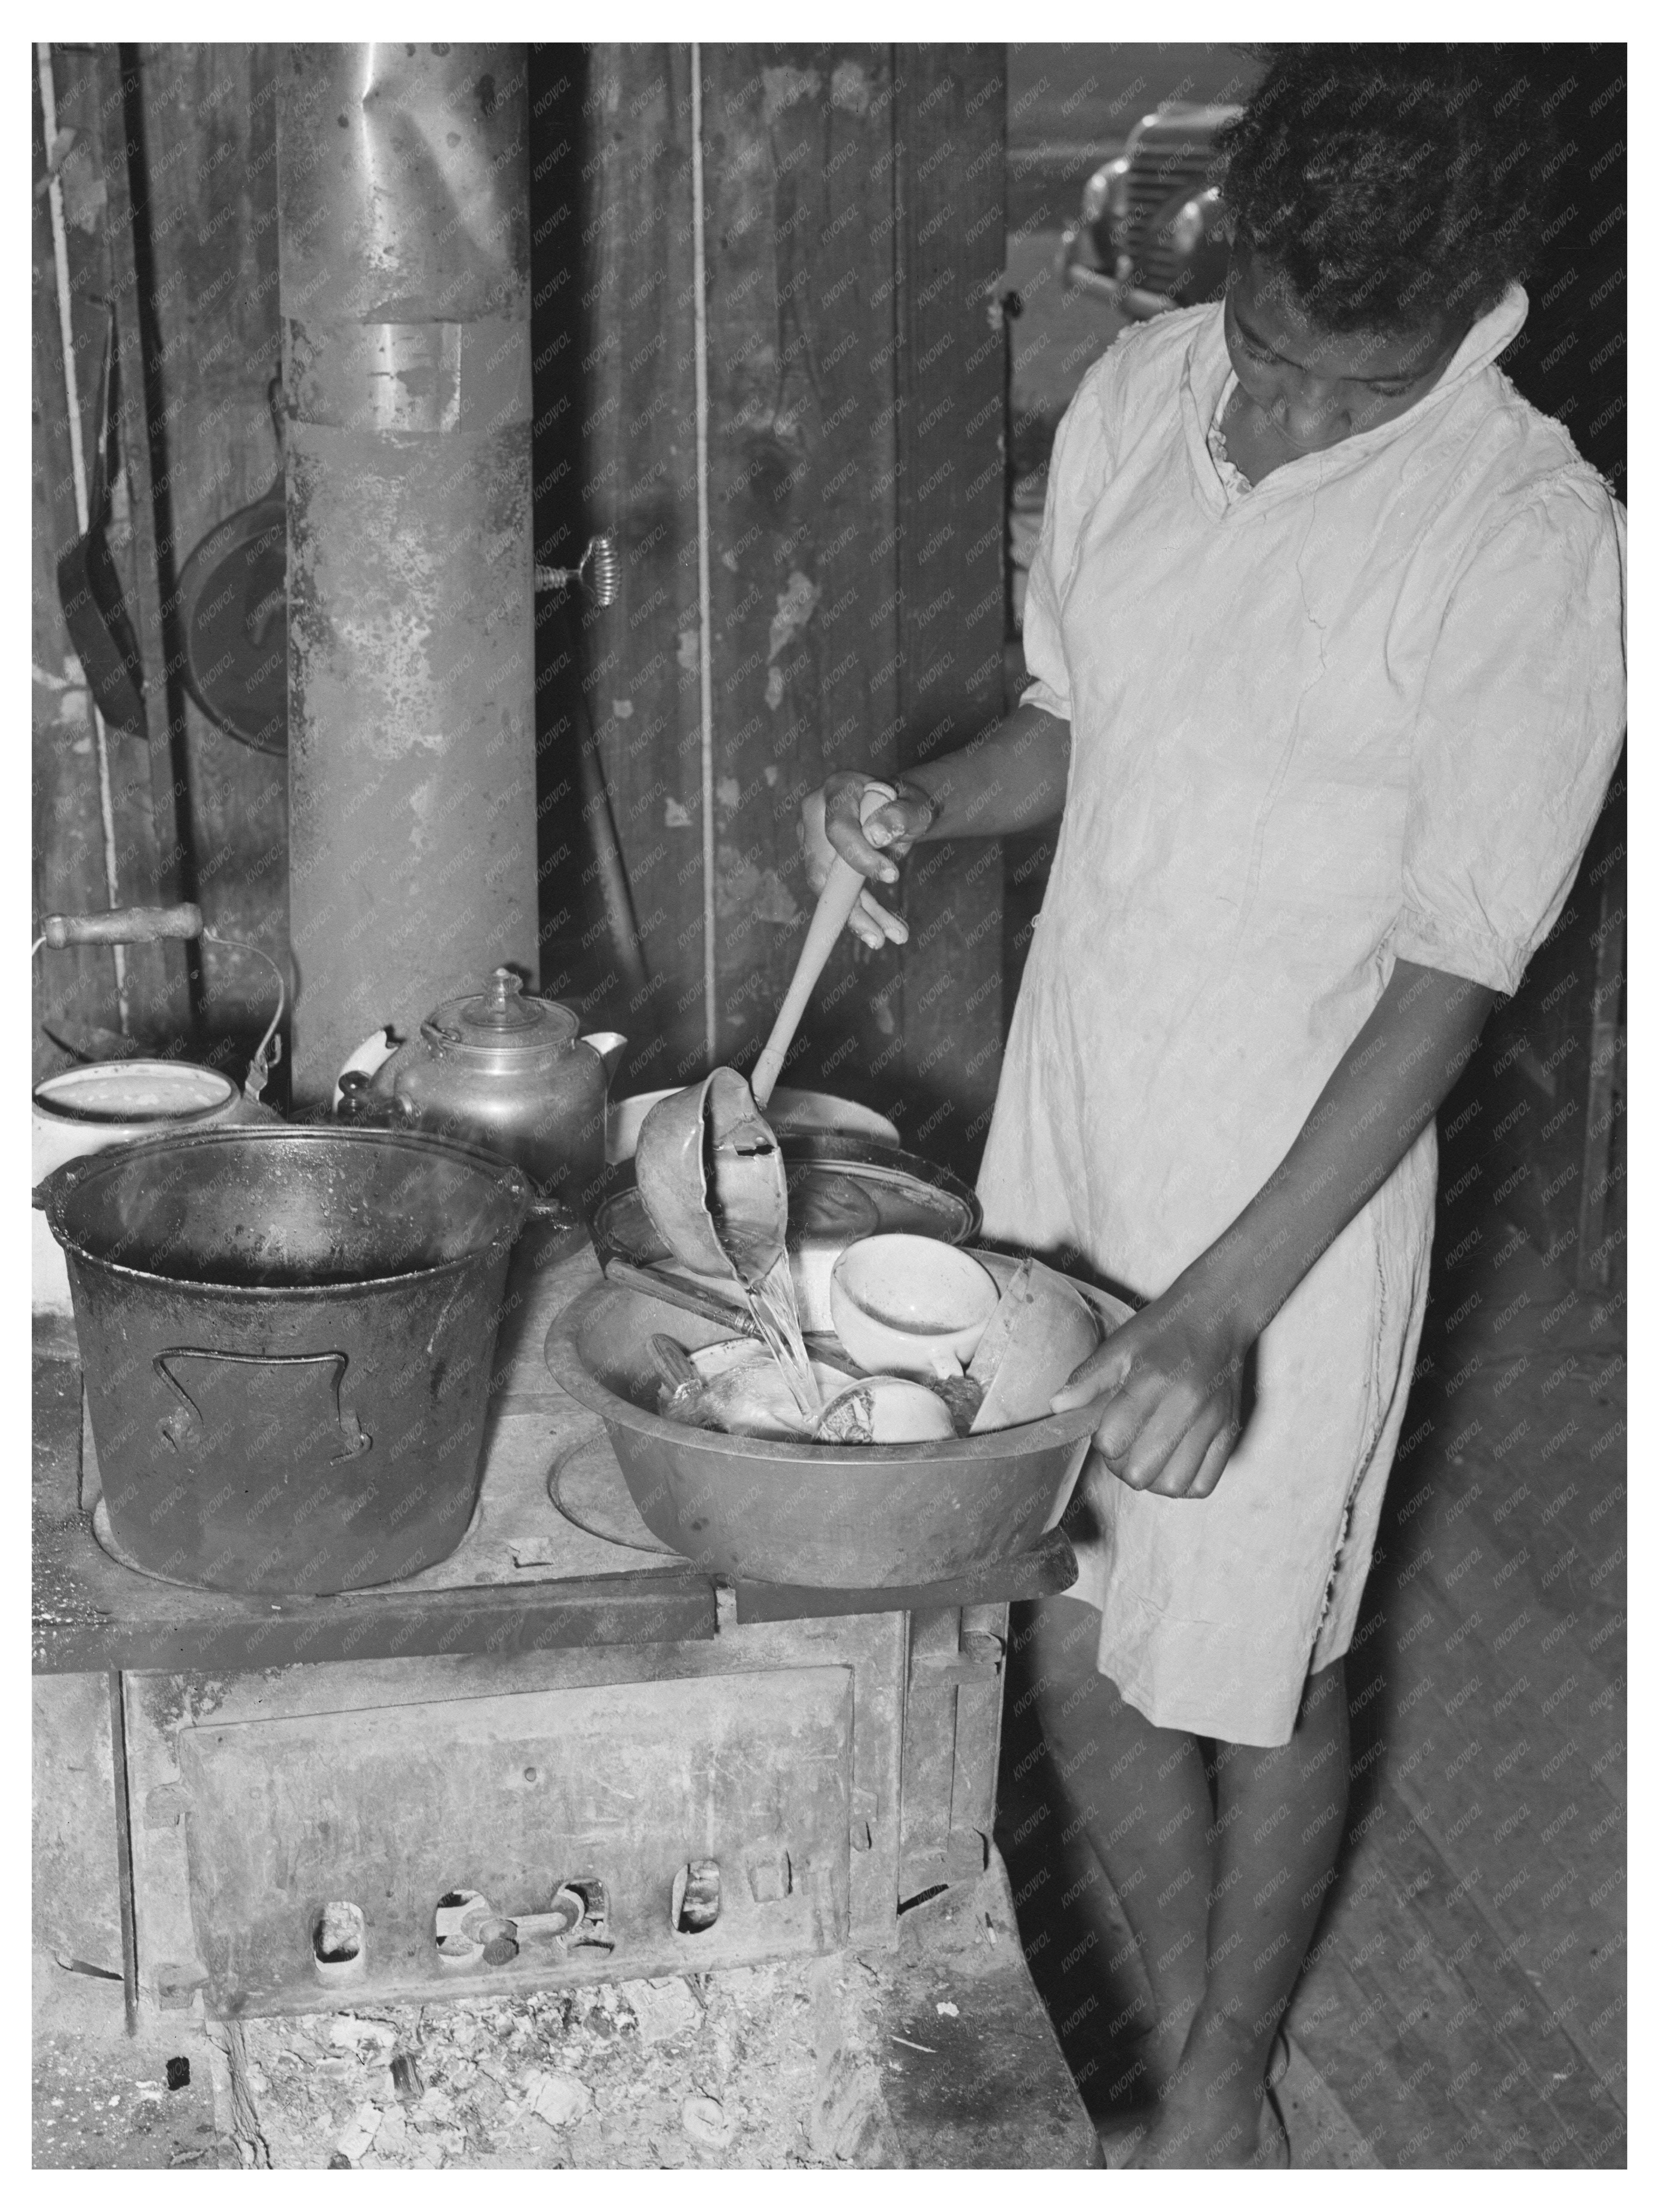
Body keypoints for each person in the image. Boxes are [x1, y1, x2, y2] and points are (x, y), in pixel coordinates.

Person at [799, 46, 1626, 2168]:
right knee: (1076, 1620)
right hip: (1077, 1121)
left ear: (1481, 301)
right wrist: (918, 801)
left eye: (1371, 384)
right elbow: (1079, 719)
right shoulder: (1139, 394)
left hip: (1306, 1204)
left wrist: (1227, 1310)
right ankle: (1187, 2023)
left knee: (1264, 1667)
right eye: (1278, 352)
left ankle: (1226, 2074)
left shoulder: (1542, 545)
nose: (1306, 413)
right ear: (1233, 242)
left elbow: (1452, 979)